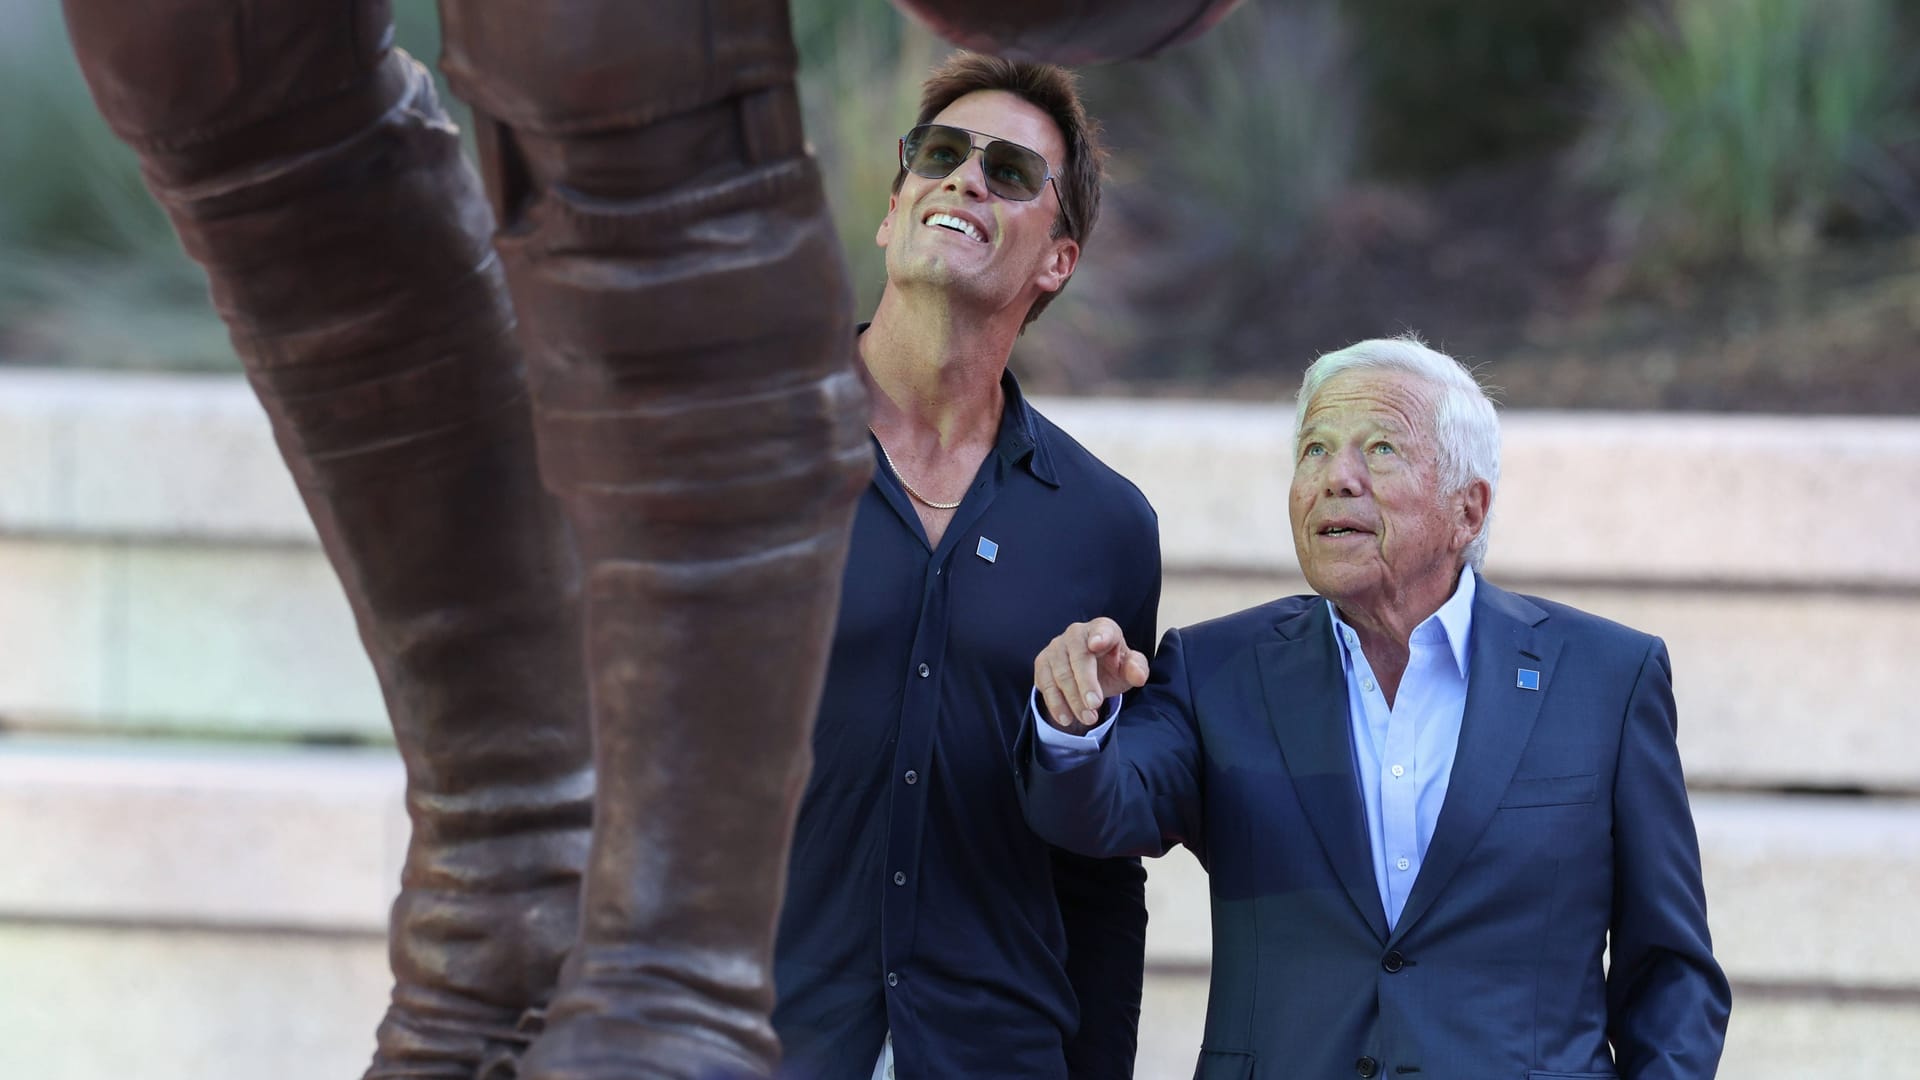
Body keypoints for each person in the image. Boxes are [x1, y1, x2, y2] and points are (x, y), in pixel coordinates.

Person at [1024, 336, 1731, 1079]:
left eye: (1382, 448)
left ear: (1468, 510)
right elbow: (1097, 815)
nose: (1337, 478)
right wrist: (1073, 721)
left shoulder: (1605, 678)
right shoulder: (1216, 669)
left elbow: (1672, 974)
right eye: (1315, 449)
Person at [770, 53, 1162, 1080]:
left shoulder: (1107, 527)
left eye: (1011, 171)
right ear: (892, 211)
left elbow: (1100, 870)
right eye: (940, 154)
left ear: (1057, 262)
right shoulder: (748, 455)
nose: (966, 179)